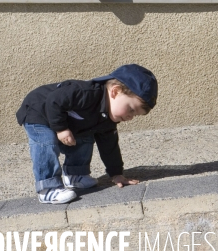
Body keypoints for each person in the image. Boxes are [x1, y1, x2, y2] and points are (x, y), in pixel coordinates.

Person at [16, 64, 158, 204]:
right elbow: (54, 100)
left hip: (63, 118)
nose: (130, 117)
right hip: (38, 111)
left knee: (85, 136)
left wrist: (116, 174)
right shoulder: (86, 93)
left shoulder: (107, 121)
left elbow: (110, 147)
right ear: (115, 91)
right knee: (46, 141)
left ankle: (75, 174)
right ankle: (47, 189)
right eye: (131, 109)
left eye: (136, 115)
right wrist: (61, 129)